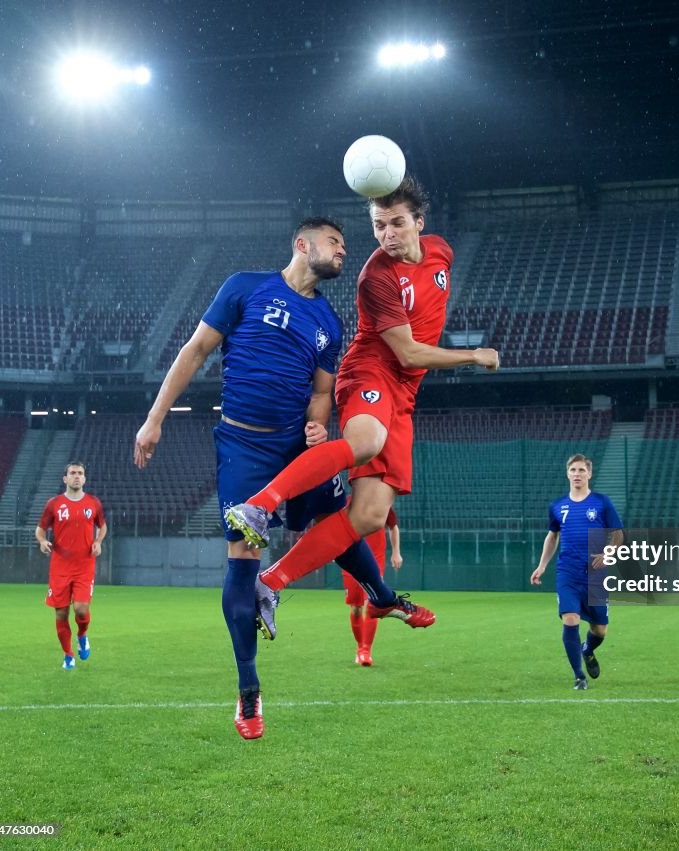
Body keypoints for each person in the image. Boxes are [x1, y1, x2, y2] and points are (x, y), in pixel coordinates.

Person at [134, 217, 402, 740]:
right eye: (335, 242)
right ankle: (249, 690)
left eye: (346, 246)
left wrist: (318, 424)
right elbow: (194, 351)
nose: (343, 250)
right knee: (242, 556)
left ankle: (383, 595)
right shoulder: (245, 287)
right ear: (302, 245)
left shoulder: (329, 321)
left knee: (337, 519)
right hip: (242, 445)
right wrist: (154, 417)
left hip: (293, 449)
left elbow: (323, 392)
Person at [225, 174, 500, 638]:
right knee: (366, 441)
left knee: (369, 515)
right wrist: (473, 355)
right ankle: (260, 504)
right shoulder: (376, 276)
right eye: (378, 226)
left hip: (406, 393)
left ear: (419, 222)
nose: (387, 235)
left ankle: (269, 582)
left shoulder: (442, 252)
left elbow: (417, 348)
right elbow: (408, 353)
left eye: (396, 223)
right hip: (372, 368)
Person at [530, 454, 624, 690]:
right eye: (573, 470)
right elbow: (552, 536)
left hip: (596, 575)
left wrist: (609, 554)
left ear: (589, 474)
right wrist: (542, 566)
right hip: (568, 572)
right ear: (567, 473)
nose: (577, 474)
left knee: (599, 630)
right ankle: (579, 676)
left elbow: (618, 534)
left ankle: (588, 649)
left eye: (582, 470)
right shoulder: (558, 506)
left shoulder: (602, 502)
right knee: (570, 619)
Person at [35, 462, 107, 670]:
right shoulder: (54, 504)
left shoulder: (93, 503)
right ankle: (68, 655)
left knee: (81, 609)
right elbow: (40, 530)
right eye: (72, 473)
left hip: (84, 565)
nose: (77, 476)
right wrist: (42, 541)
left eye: (80, 473)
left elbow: (102, 527)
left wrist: (98, 542)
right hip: (60, 567)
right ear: (65, 479)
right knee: (61, 614)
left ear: (84, 479)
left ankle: (82, 635)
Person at [346, 506, 402, 666]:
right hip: (351, 558)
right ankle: (360, 647)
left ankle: (366, 651)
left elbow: (393, 527)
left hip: (375, 558)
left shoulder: (383, 502)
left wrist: (396, 552)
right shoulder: (348, 502)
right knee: (356, 608)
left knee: (372, 602)